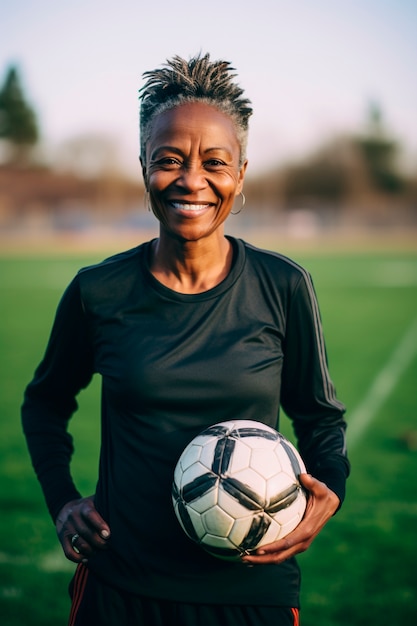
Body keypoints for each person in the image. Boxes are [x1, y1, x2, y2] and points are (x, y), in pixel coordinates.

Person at [22, 52, 350, 626]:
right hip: (122, 586)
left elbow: (320, 419)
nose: (191, 180)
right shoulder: (98, 291)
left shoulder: (283, 285)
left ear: (240, 172)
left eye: (214, 162)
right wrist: (62, 498)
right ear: (145, 165)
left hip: (252, 590)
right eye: (169, 159)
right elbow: (45, 402)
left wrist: (331, 493)